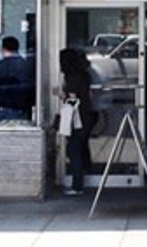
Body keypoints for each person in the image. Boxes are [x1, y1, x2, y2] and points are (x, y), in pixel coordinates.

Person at [58, 48, 96, 196]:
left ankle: (77, 184)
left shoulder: (72, 77)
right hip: (86, 115)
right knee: (81, 147)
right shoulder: (85, 75)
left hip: (76, 118)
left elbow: (72, 98)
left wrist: (61, 94)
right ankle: (85, 172)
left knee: (73, 150)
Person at [0, 36, 33, 122]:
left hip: (5, 107)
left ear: (3, 49)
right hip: (22, 108)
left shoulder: (2, 65)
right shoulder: (25, 64)